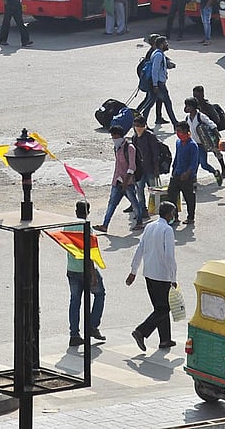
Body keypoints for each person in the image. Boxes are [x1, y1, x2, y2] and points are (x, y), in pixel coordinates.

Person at [126, 201, 178, 352]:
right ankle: (141, 331)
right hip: (162, 276)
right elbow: (169, 256)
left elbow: (140, 248)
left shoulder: (149, 226)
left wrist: (133, 270)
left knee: (159, 307)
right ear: (168, 215)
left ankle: (165, 339)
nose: (173, 217)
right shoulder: (167, 230)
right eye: (173, 214)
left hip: (148, 274)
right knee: (163, 308)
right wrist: (173, 278)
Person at [65, 201, 106, 347]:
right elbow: (90, 253)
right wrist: (93, 275)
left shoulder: (68, 226)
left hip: (72, 269)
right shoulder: (87, 228)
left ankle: (74, 334)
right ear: (88, 212)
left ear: (76, 211)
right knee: (100, 294)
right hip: (86, 271)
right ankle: (93, 326)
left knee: (75, 301)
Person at [93, 125, 146, 233]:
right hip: (117, 180)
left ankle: (140, 222)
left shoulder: (130, 148)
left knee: (134, 203)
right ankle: (105, 225)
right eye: (112, 136)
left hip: (127, 182)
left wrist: (126, 182)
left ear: (121, 136)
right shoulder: (116, 147)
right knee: (112, 203)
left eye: (115, 136)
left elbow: (132, 167)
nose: (113, 138)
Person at [142, 36, 181, 128]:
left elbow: (160, 67)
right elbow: (154, 71)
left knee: (150, 103)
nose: (167, 44)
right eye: (165, 43)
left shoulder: (158, 54)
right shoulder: (158, 55)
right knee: (167, 103)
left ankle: (143, 123)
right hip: (159, 84)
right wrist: (155, 85)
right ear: (161, 44)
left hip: (158, 83)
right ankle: (175, 124)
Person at [184, 97, 222, 186]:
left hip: (202, 145)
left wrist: (218, 138)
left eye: (188, 106)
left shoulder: (200, 116)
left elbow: (212, 125)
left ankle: (215, 173)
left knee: (204, 164)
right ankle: (193, 181)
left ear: (193, 107)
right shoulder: (188, 118)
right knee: (194, 164)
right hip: (193, 144)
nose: (186, 108)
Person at [167, 121, 199, 225]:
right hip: (177, 173)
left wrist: (187, 173)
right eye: (177, 131)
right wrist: (173, 170)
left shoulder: (192, 145)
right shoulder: (178, 143)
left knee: (189, 197)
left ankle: (190, 217)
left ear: (186, 131)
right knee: (171, 195)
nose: (178, 133)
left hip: (187, 177)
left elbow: (194, 163)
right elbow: (177, 158)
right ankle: (174, 216)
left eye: (179, 131)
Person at [192, 86, 225, 178]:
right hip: (199, 136)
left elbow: (216, 119)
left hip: (209, 134)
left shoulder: (208, 106)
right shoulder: (194, 106)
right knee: (198, 157)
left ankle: (223, 168)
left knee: (217, 152)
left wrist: (206, 121)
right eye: (194, 96)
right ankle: (194, 176)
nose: (196, 98)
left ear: (202, 94)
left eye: (198, 96)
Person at [130, 115, 159, 224]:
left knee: (153, 190)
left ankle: (156, 209)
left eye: (139, 125)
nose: (137, 127)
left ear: (144, 125)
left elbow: (155, 153)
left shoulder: (150, 136)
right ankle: (143, 210)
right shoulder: (135, 137)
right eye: (135, 125)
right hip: (140, 170)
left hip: (150, 169)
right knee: (140, 191)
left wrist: (156, 168)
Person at [136, 33, 165, 124]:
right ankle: (136, 115)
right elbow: (154, 69)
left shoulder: (155, 51)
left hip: (154, 79)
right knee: (149, 100)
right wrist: (154, 83)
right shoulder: (153, 53)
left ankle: (159, 117)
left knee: (159, 99)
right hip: (152, 80)